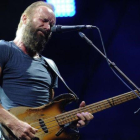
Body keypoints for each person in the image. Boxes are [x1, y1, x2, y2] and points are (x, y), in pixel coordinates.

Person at [0, 1, 93, 140]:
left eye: (51, 24)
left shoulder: (50, 65)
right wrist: (14, 124)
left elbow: (47, 117)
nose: (48, 27)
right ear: (25, 18)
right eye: (44, 21)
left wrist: (72, 122)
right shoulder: (4, 49)